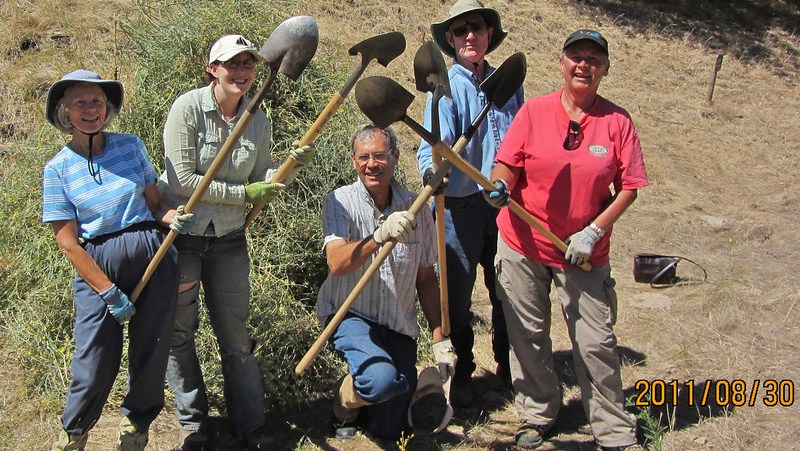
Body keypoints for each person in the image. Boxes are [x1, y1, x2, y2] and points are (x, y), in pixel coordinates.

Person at [483, 30, 648, 450]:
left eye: (594, 59)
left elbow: (629, 186)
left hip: (583, 253)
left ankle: (612, 428)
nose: (584, 65)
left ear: (605, 70)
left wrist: (594, 231)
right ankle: (538, 414)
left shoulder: (617, 122)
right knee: (528, 335)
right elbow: (506, 164)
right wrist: (499, 186)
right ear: (562, 63)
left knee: (595, 342)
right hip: (523, 244)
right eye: (576, 56)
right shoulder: (534, 112)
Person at [160, 34, 315, 450]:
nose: (242, 73)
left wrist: (288, 169)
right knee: (179, 332)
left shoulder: (258, 120)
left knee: (237, 338)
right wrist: (243, 195)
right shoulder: (188, 109)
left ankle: (251, 426)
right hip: (184, 239)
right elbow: (182, 180)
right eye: (233, 65)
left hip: (228, 241)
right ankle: (193, 424)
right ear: (214, 69)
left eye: (249, 64)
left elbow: (260, 180)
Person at [43, 69, 195, 451]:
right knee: (93, 359)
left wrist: (171, 218)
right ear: (65, 112)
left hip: (152, 253)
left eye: (97, 102)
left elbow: (154, 203)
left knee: (152, 347)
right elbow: (68, 242)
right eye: (81, 103)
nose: (91, 109)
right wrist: (107, 290)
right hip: (98, 263)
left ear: (107, 108)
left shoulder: (130, 146)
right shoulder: (57, 169)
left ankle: (135, 428)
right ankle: (74, 432)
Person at [317, 123, 456, 440]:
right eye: (363, 157)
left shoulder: (416, 208)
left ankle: (386, 390)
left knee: (392, 429)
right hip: (349, 314)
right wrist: (378, 237)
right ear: (353, 160)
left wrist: (439, 336)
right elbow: (337, 264)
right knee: (380, 381)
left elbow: (425, 278)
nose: (371, 164)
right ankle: (344, 403)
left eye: (380, 155)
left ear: (394, 157)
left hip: (397, 324)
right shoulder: (339, 201)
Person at [417, 0, 524, 406]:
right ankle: (461, 376)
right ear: (450, 39)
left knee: (507, 292)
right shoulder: (445, 86)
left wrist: (509, 180)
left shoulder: (507, 82)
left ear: (489, 34)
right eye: (461, 31)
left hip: (502, 208)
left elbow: (519, 141)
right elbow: (431, 148)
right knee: (457, 301)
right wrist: (433, 174)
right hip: (457, 210)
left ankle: (509, 370)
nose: (469, 36)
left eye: (476, 28)